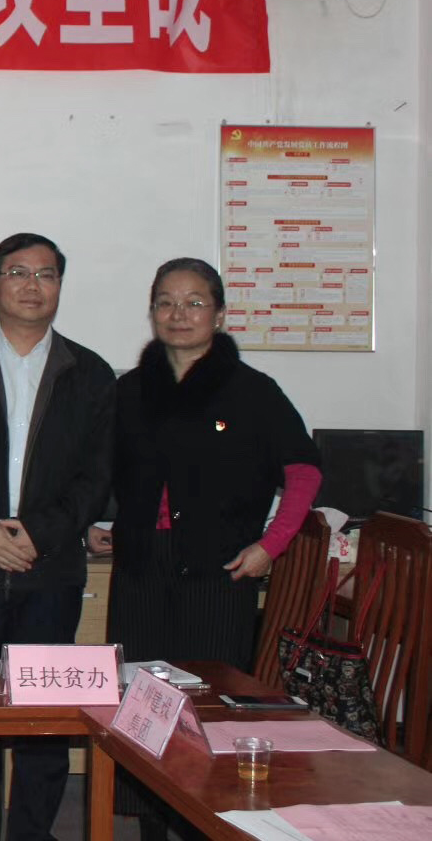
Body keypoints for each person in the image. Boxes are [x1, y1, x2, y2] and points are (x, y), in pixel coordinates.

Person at [105, 257, 322, 839]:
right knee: (142, 704)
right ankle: (150, 825)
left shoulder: (251, 391)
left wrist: (271, 545)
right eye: (167, 302)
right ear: (152, 312)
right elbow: (107, 470)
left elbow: (303, 471)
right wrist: (100, 523)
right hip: (142, 567)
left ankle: (207, 823)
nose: (179, 314)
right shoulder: (129, 390)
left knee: (208, 708)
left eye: (195, 302)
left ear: (220, 314)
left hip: (218, 571)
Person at [0, 233, 115, 841]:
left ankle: (32, 833)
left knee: (45, 718)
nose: (32, 286)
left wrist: (38, 533)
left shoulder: (90, 373)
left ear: (60, 287)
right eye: (18, 272)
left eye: (46, 274)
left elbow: (97, 474)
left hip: (50, 570)